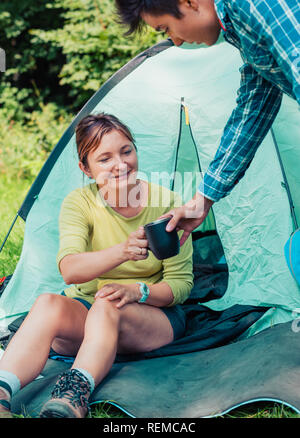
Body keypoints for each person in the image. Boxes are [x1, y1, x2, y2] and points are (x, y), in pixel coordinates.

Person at [0, 113, 193, 418]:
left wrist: (138, 291)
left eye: (126, 151)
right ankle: (1, 392)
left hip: (150, 318)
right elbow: (70, 269)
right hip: (87, 314)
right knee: (48, 302)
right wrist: (123, 251)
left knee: (107, 304)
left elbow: (180, 286)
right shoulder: (80, 203)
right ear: (85, 168)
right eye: (105, 158)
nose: (120, 164)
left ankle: (73, 395)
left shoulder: (166, 202)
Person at [115, 0, 300, 245]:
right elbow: (253, 109)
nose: (174, 41)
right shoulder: (236, 19)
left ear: (188, 1)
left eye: (165, 28)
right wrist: (202, 200)